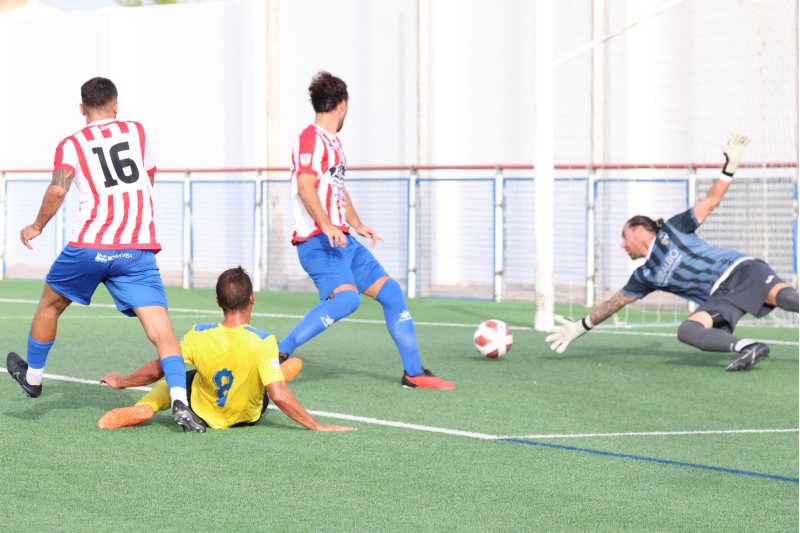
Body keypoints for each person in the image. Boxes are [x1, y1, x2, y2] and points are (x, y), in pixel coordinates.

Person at [6, 77, 204, 432]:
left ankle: (33, 379)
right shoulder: (137, 131)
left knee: (50, 305)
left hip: (91, 245)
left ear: (82, 109)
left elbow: (58, 190)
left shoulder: (72, 144)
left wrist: (36, 226)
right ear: (116, 105)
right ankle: (179, 400)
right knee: (161, 330)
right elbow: (149, 176)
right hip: (138, 247)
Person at [545, 132, 799, 371]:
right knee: (687, 330)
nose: (621, 245)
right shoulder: (644, 276)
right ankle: (749, 347)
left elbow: (711, 201)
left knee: (785, 298)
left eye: (623, 237)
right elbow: (615, 303)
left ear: (639, 230)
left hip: (740, 271)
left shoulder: (673, 229)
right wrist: (581, 326)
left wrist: (729, 168)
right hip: (721, 298)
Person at [278, 71, 454, 389]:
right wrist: (326, 224)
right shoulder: (310, 139)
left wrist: (356, 224)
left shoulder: (333, 143)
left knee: (391, 293)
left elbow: (338, 191)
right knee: (347, 301)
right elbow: (306, 187)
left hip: (342, 239)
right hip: (318, 241)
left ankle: (413, 373)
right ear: (342, 104)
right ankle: (278, 354)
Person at [98, 267, 356, 432]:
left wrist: (122, 381)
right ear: (252, 298)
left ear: (218, 301)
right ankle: (277, 371)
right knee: (269, 379)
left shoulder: (199, 334)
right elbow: (278, 394)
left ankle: (148, 406)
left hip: (202, 412)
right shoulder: (264, 340)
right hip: (246, 415)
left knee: (178, 372)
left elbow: (157, 368)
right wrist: (317, 425)